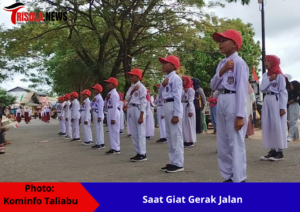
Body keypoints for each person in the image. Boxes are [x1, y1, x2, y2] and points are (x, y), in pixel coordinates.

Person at [210, 29, 249, 182]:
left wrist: (240, 115)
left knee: (235, 141)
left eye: (223, 40)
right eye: (219, 41)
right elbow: (213, 85)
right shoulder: (222, 63)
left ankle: (239, 178)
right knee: (223, 141)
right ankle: (228, 175)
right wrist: (223, 70)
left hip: (233, 99)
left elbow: (241, 89)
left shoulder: (239, 62)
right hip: (222, 98)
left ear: (234, 44)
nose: (220, 44)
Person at [158, 55, 184, 173]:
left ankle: (178, 163)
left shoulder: (176, 78)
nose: (163, 65)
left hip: (173, 105)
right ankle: (173, 161)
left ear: (173, 65)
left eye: (166, 63)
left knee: (176, 136)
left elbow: (178, 97)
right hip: (167, 104)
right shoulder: (167, 78)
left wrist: (177, 114)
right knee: (169, 135)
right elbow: (160, 94)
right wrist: (163, 85)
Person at [260, 55, 288, 161]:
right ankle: (272, 150)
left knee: (277, 124)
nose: (265, 63)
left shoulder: (280, 76)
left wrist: (282, 107)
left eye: (268, 61)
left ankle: (280, 151)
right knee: (268, 124)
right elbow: (262, 88)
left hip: (276, 100)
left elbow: (283, 91)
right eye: (265, 61)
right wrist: (270, 80)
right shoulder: (265, 75)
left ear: (273, 62)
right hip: (267, 99)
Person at [125, 69, 147, 161]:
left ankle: (142, 153)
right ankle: (138, 152)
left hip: (139, 109)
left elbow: (143, 102)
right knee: (134, 133)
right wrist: (133, 91)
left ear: (138, 77)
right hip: (132, 108)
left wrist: (142, 115)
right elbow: (126, 98)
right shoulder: (132, 87)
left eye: (132, 75)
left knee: (140, 133)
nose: (130, 77)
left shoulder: (142, 87)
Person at [104, 77, 121, 155]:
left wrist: (113, 118)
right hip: (110, 111)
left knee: (115, 130)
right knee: (111, 130)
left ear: (114, 85)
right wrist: (106, 99)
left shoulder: (114, 94)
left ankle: (116, 148)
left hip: (114, 111)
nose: (107, 85)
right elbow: (106, 105)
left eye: (109, 83)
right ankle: (112, 147)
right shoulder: (109, 93)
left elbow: (114, 106)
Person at [182, 76, 196, 148]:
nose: (182, 82)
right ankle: (185, 140)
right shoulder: (182, 89)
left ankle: (190, 140)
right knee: (184, 124)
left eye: (183, 80)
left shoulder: (191, 90)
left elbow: (190, 99)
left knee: (189, 124)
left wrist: (190, 110)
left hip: (188, 106)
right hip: (183, 106)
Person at [90, 84, 105, 149]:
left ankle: (100, 143)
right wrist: (92, 101)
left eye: (95, 89)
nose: (94, 91)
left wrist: (100, 116)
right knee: (97, 129)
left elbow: (100, 108)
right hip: (95, 112)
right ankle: (99, 142)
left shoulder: (99, 98)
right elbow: (91, 104)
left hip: (98, 113)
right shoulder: (95, 97)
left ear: (98, 90)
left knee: (99, 129)